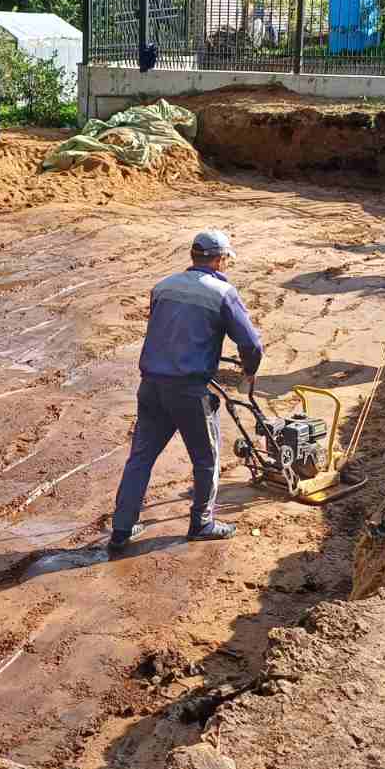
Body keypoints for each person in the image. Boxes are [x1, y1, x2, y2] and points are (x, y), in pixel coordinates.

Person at [109, 229, 263, 552]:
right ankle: (202, 523)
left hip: (151, 386)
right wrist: (249, 371)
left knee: (141, 457)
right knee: (206, 458)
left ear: (194, 256)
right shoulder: (223, 293)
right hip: (190, 390)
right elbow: (251, 343)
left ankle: (122, 528)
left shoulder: (162, 287)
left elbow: (169, 328)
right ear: (219, 260)